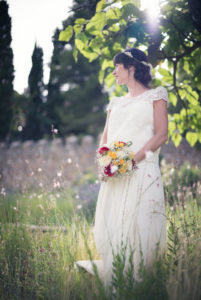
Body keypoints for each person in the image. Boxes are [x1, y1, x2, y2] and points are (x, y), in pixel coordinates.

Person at [74, 47, 169, 294]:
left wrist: (127, 163)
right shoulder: (114, 103)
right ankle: (118, 286)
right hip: (116, 177)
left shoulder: (157, 96)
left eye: (118, 66)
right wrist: (106, 166)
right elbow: (104, 141)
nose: (114, 71)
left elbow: (161, 135)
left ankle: (143, 289)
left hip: (143, 173)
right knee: (116, 228)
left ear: (132, 68)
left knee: (143, 230)